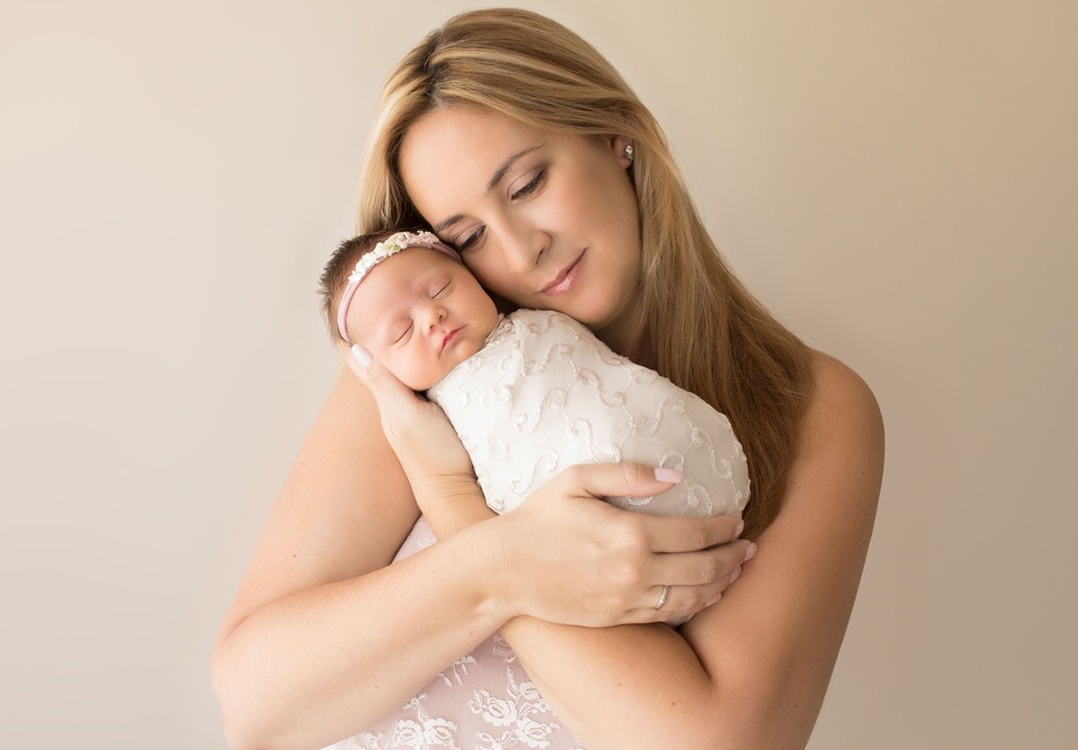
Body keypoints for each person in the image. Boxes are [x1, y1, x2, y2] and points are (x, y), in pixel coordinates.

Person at [213, 9, 884, 749]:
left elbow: (711, 742)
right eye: (466, 237)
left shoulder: (813, 406)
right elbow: (255, 706)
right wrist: (499, 560)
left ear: (614, 132)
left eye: (527, 184)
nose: (521, 250)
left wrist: (457, 505)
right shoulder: (423, 381)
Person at [319, 227, 751, 528]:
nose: (432, 316)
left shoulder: (540, 318)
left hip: (674, 447)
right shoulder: (429, 423)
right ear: (376, 366)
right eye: (402, 332)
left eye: (439, 289)